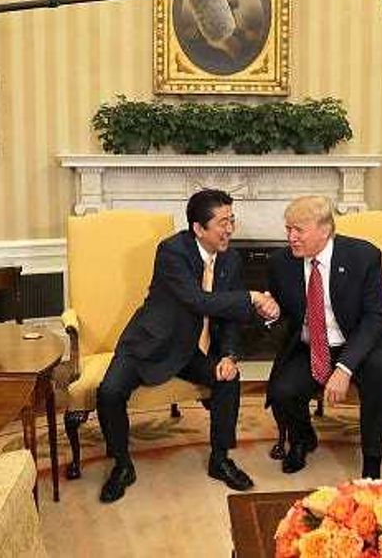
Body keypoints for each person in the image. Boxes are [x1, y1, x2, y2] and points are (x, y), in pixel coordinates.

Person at [96, 189, 280, 503]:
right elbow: (198, 300)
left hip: (194, 351)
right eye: (223, 222)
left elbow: (230, 317)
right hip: (152, 343)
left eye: (232, 220)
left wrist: (229, 355)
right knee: (109, 392)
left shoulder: (231, 259)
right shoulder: (171, 252)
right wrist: (252, 296)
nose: (230, 229)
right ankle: (122, 464)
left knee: (228, 378)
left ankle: (220, 459)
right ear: (198, 228)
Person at [265, 196, 382, 479]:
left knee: (381, 372)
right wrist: (271, 313)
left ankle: (372, 460)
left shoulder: (363, 256)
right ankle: (302, 439)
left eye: (299, 230)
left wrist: (344, 367)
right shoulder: (280, 263)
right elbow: (282, 314)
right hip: (311, 345)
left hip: (361, 341)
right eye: (288, 229)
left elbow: (377, 316)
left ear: (325, 229)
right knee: (282, 391)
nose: (291, 237)